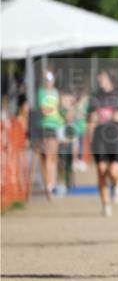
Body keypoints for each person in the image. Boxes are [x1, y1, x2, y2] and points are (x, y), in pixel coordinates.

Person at [87, 69, 118, 216]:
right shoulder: (94, 97)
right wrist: (93, 119)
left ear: (110, 79)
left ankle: (117, 185)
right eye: (99, 76)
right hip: (100, 137)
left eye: (102, 77)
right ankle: (106, 204)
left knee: (113, 171)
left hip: (116, 136)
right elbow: (89, 118)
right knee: (101, 170)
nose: (100, 79)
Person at [36, 71, 63, 199]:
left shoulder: (56, 92)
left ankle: (52, 184)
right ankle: (49, 185)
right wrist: (52, 110)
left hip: (56, 126)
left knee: (53, 157)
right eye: (46, 80)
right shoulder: (41, 92)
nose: (48, 82)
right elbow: (44, 110)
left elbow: (56, 109)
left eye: (50, 80)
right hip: (46, 127)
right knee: (47, 156)